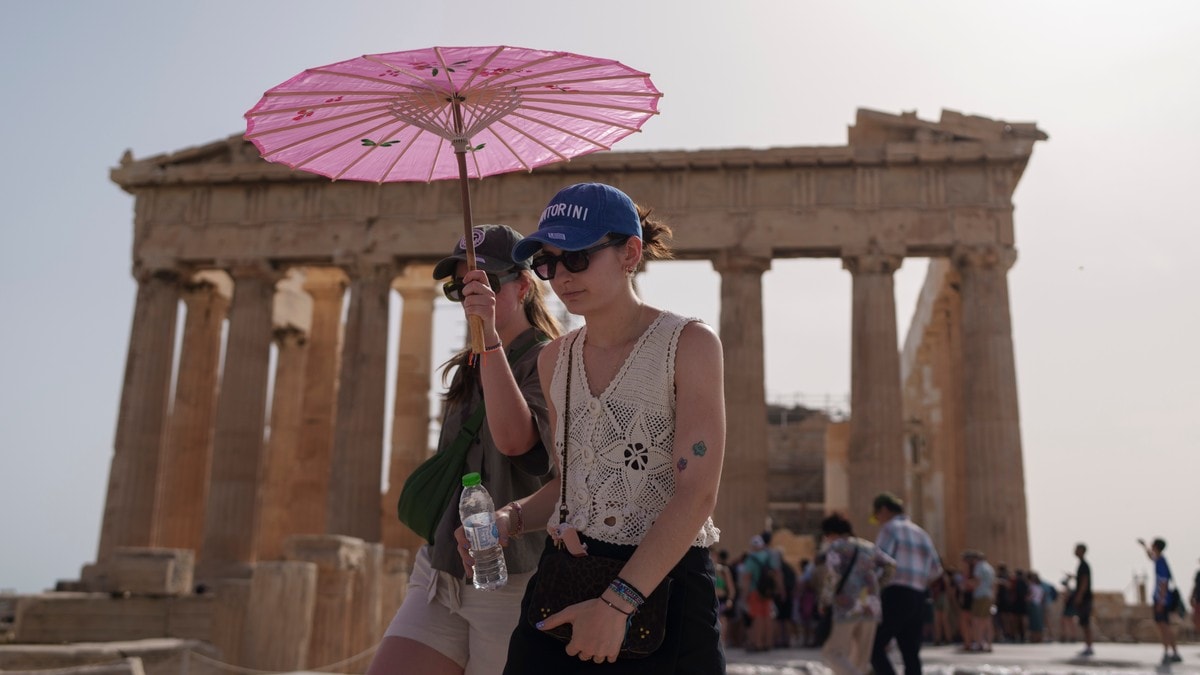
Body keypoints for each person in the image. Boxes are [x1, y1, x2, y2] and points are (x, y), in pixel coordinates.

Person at [484, 182, 726, 673]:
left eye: (577, 257)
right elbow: (574, 483)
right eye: (549, 264)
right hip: (566, 579)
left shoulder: (690, 345)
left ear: (629, 253)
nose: (561, 277)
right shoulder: (554, 359)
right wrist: (509, 519)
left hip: (665, 587)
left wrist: (618, 604)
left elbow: (697, 492)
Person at [367, 225, 562, 675]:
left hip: (511, 576)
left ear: (523, 285)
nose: (473, 295)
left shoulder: (547, 360)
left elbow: (517, 444)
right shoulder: (467, 366)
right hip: (442, 569)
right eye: (461, 287)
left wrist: (491, 337)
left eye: (486, 283)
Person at [869, 492, 943, 675]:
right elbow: (936, 570)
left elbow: (881, 562)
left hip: (895, 594)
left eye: (877, 516)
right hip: (918, 596)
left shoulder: (890, 529)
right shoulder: (922, 533)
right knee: (911, 653)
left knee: (873, 646)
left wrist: (872, 587)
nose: (877, 520)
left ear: (884, 510)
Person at [819, 513, 897, 675]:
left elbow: (833, 576)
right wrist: (877, 585)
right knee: (860, 659)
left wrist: (825, 601)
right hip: (871, 605)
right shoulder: (868, 546)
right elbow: (891, 565)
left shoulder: (836, 547)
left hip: (847, 604)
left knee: (833, 652)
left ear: (831, 533)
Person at [1138, 537, 1182, 665]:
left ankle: (1168, 652)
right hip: (1162, 599)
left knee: (1164, 627)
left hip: (1162, 600)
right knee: (1164, 626)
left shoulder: (1161, 562)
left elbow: (1163, 582)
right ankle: (1173, 652)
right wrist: (1144, 546)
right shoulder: (1159, 559)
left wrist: (1161, 601)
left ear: (1156, 546)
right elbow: (1150, 556)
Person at [741, 534, 782, 651]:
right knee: (768, 617)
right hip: (768, 592)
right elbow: (777, 573)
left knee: (758, 617)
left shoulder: (751, 559)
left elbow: (747, 578)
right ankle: (768, 643)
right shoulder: (769, 557)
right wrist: (779, 589)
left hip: (755, 591)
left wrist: (745, 595)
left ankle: (758, 643)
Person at [962, 550, 995, 653]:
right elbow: (993, 583)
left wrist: (966, 584)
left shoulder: (979, 567)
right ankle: (989, 644)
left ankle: (979, 643)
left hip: (980, 595)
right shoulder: (990, 568)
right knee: (987, 621)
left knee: (976, 620)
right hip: (988, 595)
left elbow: (977, 581)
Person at [1071, 543, 1094, 657]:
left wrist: (1079, 596)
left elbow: (1084, 582)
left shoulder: (1084, 565)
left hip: (1085, 598)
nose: (1074, 551)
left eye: (1076, 549)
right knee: (1084, 622)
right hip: (1084, 597)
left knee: (1086, 623)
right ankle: (1087, 645)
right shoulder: (1081, 565)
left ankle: (1089, 646)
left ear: (1081, 551)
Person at [712, 549, 738, 646]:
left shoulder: (723, 570)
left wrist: (730, 600)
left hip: (721, 599)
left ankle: (722, 644)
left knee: (722, 622)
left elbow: (731, 588)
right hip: (711, 600)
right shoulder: (706, 569)